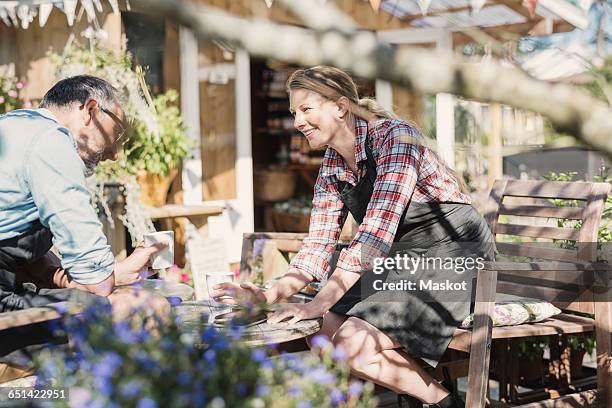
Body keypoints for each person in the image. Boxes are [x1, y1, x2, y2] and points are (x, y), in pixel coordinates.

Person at [213, 66, 495, 408]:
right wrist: (268, 293)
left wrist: (318, 300)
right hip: (403, 258)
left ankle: (446, 403)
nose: (298, 122)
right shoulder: (331, 168)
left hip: (453, 254)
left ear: (340, 107)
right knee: (321, 329)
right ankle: (431, 396)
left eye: (306, 109)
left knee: (349, 341)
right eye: (293, 113)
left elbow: (375, 234)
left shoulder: (396, 137)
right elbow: (316, 248)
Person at [0, 76, 169, 365]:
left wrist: (94, 277)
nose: (115, 155)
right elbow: (99, 282)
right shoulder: (50, 141)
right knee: (144, 308)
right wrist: (111, 273)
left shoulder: (15, 126)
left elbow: (19, 251)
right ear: (90, 111)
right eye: (116, 136)